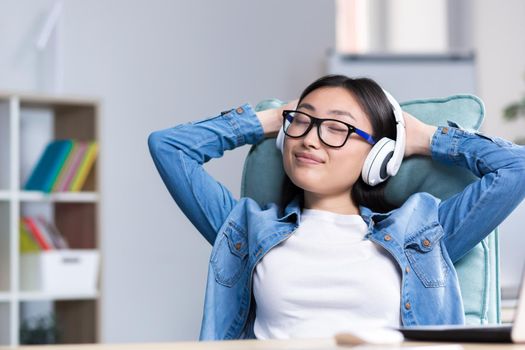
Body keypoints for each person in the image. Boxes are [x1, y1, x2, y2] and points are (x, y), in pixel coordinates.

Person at [148, 75, 525, 341]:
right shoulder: (244, 229)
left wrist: (427, 138)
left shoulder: (421, 231)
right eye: (303, 122)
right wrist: (268, 119)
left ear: (381, 156)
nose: (311, 139)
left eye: (336, 128)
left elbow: (516, 169)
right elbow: (168, 148)